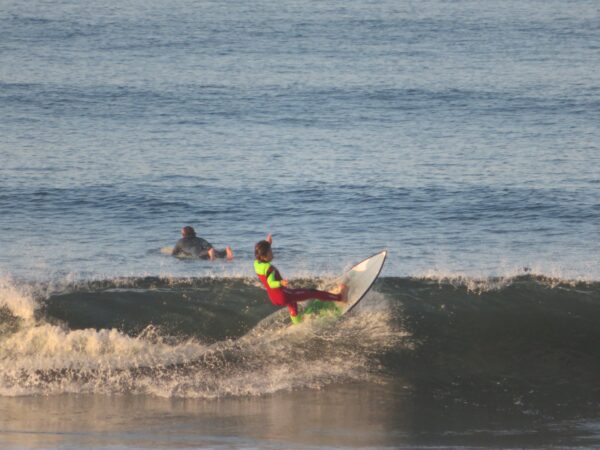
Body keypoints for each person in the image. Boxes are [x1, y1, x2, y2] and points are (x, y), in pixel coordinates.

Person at [254, 234, 346, 324]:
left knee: (292, 303)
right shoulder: (269, 268)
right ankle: (340, 297)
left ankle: (297, 322)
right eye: (270, 251)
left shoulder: (256, 264)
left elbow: (261, 256)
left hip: (274, 297)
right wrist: (280, 282)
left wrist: (267, 243)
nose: (272, 253)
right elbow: (271, 283)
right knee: (313, 292)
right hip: (282, 294)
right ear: (264, 256)